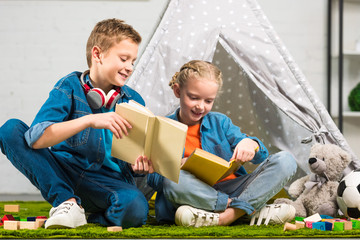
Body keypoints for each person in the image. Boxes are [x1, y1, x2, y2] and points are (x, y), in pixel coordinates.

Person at [0, 18, 154, 229]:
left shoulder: (134, 100)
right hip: (63, 170)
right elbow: (36, 138)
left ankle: (84, 214)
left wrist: (139, 168)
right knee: (10, 130)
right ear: (98, 54)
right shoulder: (69, 86)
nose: (130, 68)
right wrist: (90, 120)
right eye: (124, 59)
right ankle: (66, 202)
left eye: (132, 62)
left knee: (136, 207)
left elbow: (130, 159)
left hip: (105, 182)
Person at [147, 60, 298, 227]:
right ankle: (247, 209)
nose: (200, 106)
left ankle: (225, 217)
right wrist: (175, 168)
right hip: (194, 193)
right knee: (172, 181)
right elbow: (154, 180)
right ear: (177, 91)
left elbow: (260, 157)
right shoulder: (163, 127)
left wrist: (250, 143)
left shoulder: (221, 122)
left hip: (233, 188)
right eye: (194, 98)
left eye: (208, 101)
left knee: (286, 160)